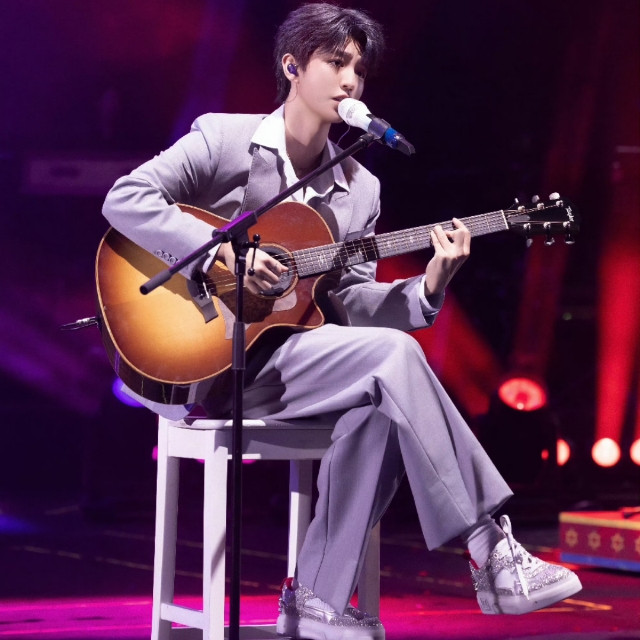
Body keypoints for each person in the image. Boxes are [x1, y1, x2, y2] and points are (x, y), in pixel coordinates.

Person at [102, 3, 582, 639]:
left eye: (360, 68)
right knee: (393, 361)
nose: (352, 79)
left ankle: (317, 600)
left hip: (294, 361)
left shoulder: (361, 189)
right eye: (336, 62)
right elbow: (125, 198)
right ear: (292, 66)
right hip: (207, 358)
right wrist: (219, 254)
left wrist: (429, 285)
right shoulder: (223, 140)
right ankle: (491, 548)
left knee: (380, 406)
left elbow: (351, 302)